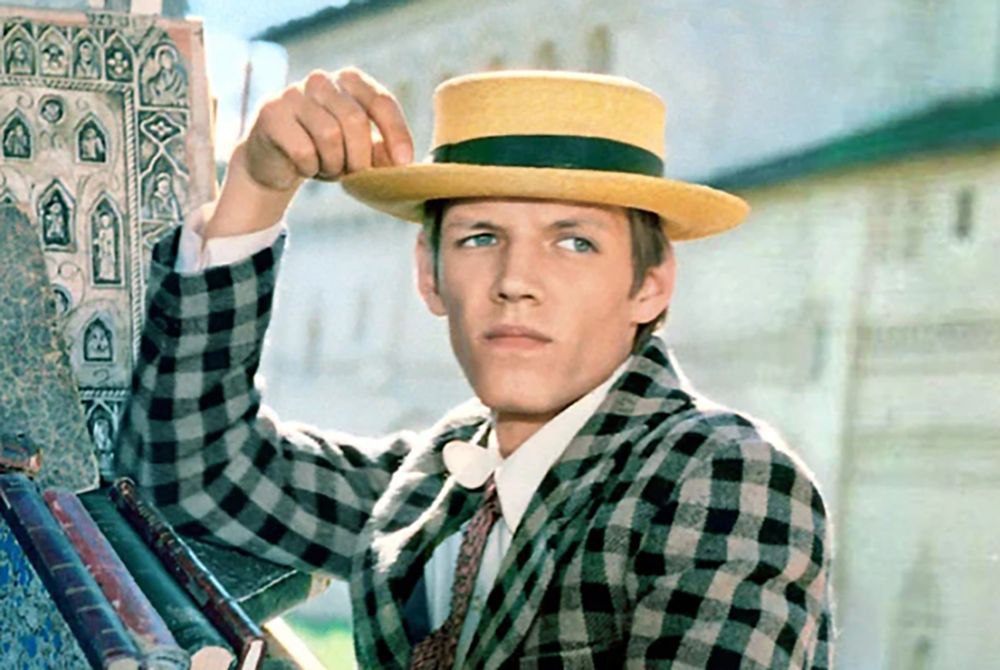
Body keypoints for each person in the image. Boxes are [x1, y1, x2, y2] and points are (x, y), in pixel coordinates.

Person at [117, 67, 833, 668]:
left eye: (574, 242)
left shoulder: (722, 474)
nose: (516, 280)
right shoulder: (437, 481)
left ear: (650, 284)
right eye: (480, 237)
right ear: (428, 274)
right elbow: (198, 478)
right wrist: (256, 183)